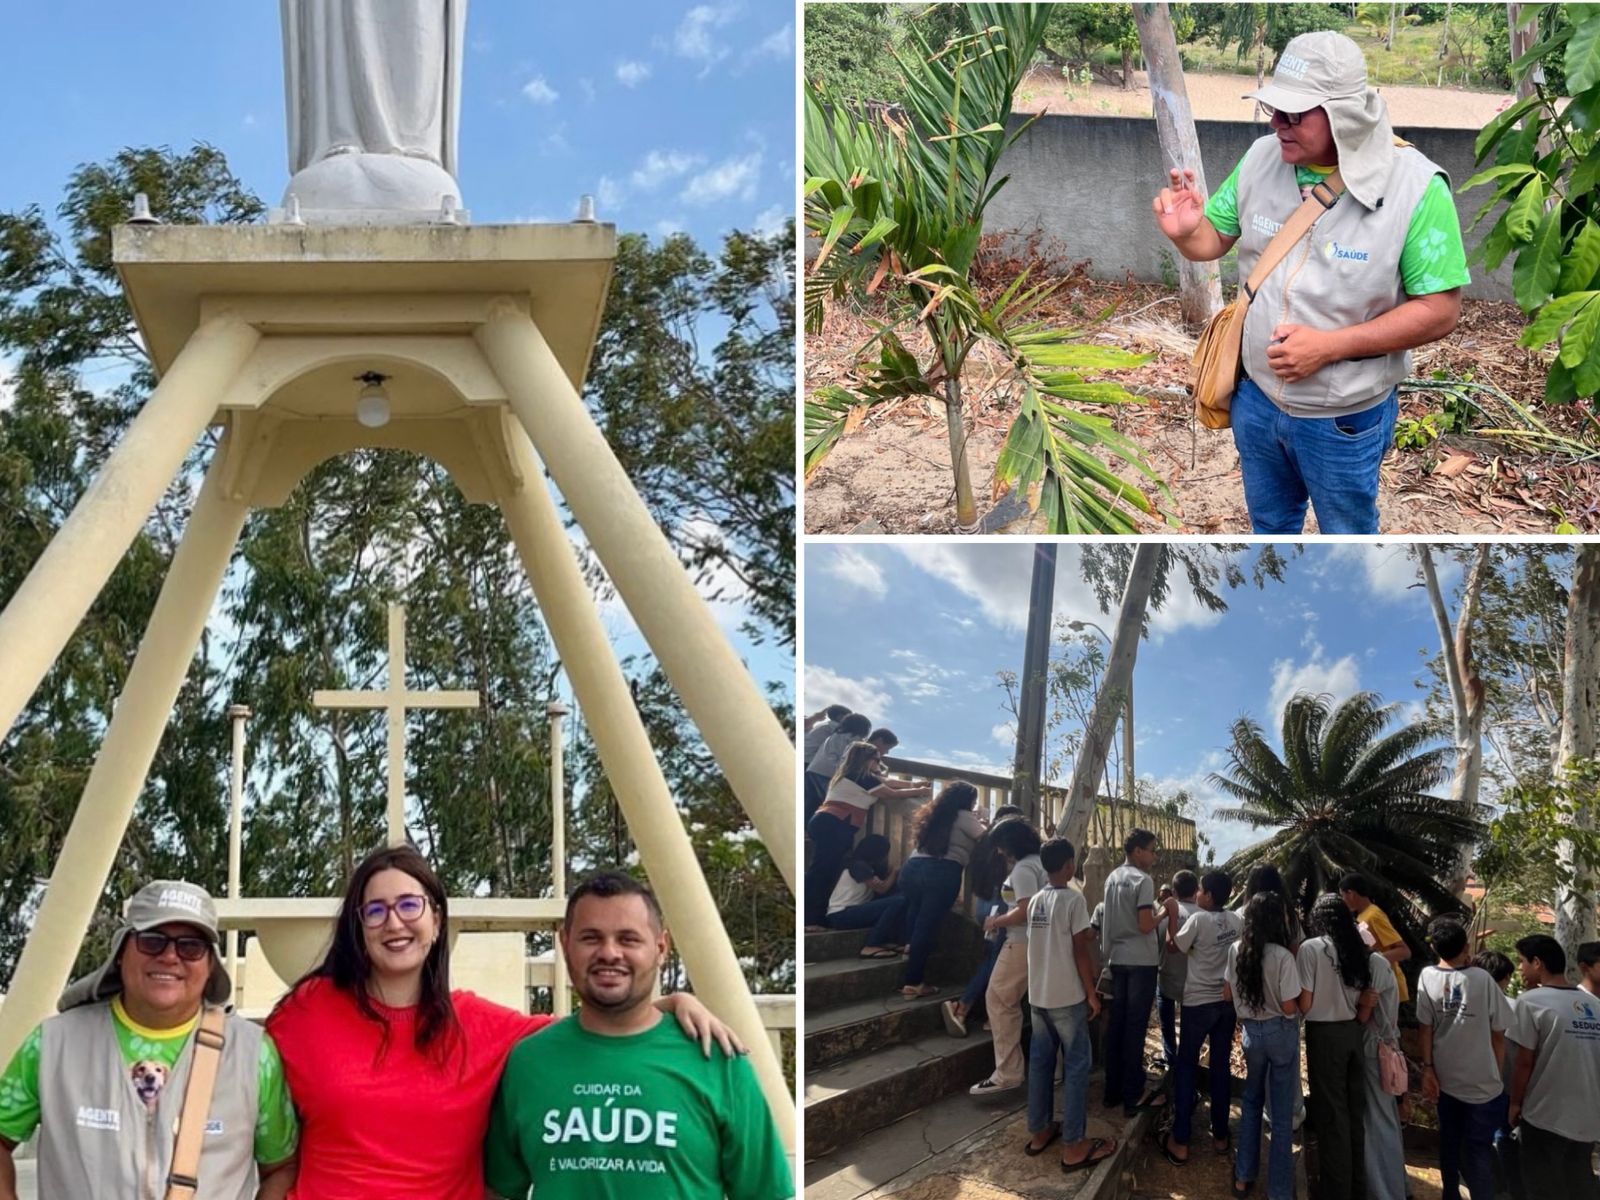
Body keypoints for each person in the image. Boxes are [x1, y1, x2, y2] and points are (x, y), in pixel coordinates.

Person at [265, 845, 741, 1200]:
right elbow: (254, 1105)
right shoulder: (305, 1013)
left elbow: (588, 1031)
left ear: (435, 920)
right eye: (375, 910)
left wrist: (671, 1002)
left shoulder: (480, 1026)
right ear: (358, 926)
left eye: (409, 905)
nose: (394, 923)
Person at [1151, 30, 1466, 534]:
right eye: (1274, 109)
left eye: (1294, 114)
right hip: (1254, 401)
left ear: (1345, 114)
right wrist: (1188, 233)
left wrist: (1330, 347)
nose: (1277, 124)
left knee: (1347, 538)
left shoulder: (1415, 188)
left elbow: (1440, 310)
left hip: (1342, 420)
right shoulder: (1260, 159)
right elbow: (1212, 241)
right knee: (1269, 529)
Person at [483, 871, 791, 1199]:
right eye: (591, 938)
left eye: (628, 939)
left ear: (661, 947)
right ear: (565, 943)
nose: (610, 953)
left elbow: (765, 1192)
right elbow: (500, 1189)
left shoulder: (716, 1058)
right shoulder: (529, 1062)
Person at [0, 880, 298, 1200]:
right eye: (152, 940)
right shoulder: (53, 1044)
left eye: (191, 946)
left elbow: (281, 1166)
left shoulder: (253, 1055)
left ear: (210, 964)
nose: (170, 956)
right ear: (120, 953)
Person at [1022, 838, 1116, 1172]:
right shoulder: (1074, 900)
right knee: (1077, 1067)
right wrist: (1091, 993)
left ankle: (1040, 1130)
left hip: (1039, 997)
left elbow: (1052, 940)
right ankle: (1075, 1146)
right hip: (1066, 997)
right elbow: (1079, 950)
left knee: (1041, 1064)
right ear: (1069, 866)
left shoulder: (1035, 901)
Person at [1418, 919, 1514, 1200]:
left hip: (1445, 1078)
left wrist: (1427, 1068)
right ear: (1466, 947)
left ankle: (1450, 1194)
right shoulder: (1483, 979)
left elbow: (1426, 1028)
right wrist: (1495, 1073)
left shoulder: (1426, 976)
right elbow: (1499, 1034)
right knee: (1478, 1148)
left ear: (1435, 948)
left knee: (1450, 1143)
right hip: (1482, 1083)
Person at [1297, 893, 1379, 1200]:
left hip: (1325, 1036)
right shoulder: (1358, 950)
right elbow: (1365, 998)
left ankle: (1336, 1192)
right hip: (1353, 1033)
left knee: (1332, 1119)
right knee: (1353, 1115)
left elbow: (1305, 1002)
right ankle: (1358, 1187)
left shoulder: (1311, 948)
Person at [1506, 934, 1600, 1196]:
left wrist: (1515, 1103)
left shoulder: (1531, 1001)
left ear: (1538, 963)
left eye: (1522, 961)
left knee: (1541, 1185)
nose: (1520, 969)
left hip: (1544, 1114)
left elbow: (1523, 1062)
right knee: (1577, 1182)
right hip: (1586, 1117)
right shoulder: (1594, 1005)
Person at [803, 741, 929, 930]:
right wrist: (920, 790)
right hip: (834, 825)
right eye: (876, 759)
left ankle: (814, 918)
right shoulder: (860, 776)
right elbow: (889, 793)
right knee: (821, 873)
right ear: (865, 759)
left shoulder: (854, 775)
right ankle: (809, 920)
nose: (879, 763)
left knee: (824, 871)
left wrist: (914, 783)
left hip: (831, 823)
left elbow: (888, 782)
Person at [1226, 893, 1303, 1200]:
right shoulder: (1283, 957)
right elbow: (1288, 1007)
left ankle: (1244, 1176)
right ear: (1276, 919)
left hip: (1251, 1035)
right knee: (1282, 1115)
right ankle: (1280, 1191)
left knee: (1251, 1102)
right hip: (1280, 1033)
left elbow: (1227, 992)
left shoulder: (1235, 949)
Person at [1164, 871, 1242, 1167]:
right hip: (1226, 1003)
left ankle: (1181, 1141)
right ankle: (1220, 1136)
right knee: (1220, 1066)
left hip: (1198, 1002)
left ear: (1208, 895)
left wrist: (1172, 915)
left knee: (1186, 1066)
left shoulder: (1198, 920)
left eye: (1201, 890)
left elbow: (1174, 947)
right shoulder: (1236, 920)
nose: (1197, 893)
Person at [1103, 828, 1179, 1116]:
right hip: (1141, 962)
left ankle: (1113, 1091)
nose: (1154, 855)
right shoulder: (1142, 880)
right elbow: (1146, 925)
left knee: (1117, 1026)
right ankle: (1134, 1092)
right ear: (1137, 851)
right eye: (1151, 849)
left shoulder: (1112, 878)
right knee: (1135, 1027)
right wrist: (1165, 911)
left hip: (1117, 959)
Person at [970, 817, 1047, 1095]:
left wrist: (996, 922)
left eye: (1001, 845)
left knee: (999, 998)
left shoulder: (1025, 868)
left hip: (1019, 941)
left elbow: (1025, 910)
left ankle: (1007, 1072)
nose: (1000, 851)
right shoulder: (1041, 863)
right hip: (1038, 943)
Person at [891, 782, 986, 1001]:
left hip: (912, 868)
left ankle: (909, 947)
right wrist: (982, 822)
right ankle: (913, 983)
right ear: (968, 800)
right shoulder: (964, 816)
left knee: (915, 910)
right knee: (927, 925)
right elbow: (985, 838)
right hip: (942, 871)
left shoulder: (933, 813)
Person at [942, 804, 1024, 1038]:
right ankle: (962, 1006)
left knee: (993, 960)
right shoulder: (1006, 847)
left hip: (983, 905)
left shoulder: (984, 844)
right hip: (999, 908)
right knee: (995, 963)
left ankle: (987, 1011)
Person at [1470, 949, 1524, 1200]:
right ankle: (1509, 1190)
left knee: (1476, 1141)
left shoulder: (1464, 1006)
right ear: (1505, 978)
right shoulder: (1515, 1007)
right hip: (1507, 1087)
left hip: (1473, 1086)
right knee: (1505, 1140)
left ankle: (1495, 1188)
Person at [1360, 919, 1404, 1200]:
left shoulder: (1373, 965)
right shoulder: (1378, 962)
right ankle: (1398, 1185)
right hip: (1385, 1046)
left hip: (1375, 1049)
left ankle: (1384, 1191)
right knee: (1386, 1116)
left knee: (1377, 1121)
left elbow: (1364, 1014)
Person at [823, 834, 906, 959]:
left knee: (900, 897)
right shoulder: (858, 865)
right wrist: (894, 872)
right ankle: (872, 944)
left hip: (852, 912)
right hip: (841, 915)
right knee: (898, 901)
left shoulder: (866, 867)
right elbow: (882, 889)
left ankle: (886, 939)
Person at [1340, 873, 1411, 1004]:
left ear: (1351, 894)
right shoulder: (1362, 916)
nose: (1342, 900)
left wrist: (1371, 960)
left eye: (1342, 896)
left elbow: (1404, 951)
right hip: (1378, 988)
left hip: (1389, 990)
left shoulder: (1374, 915)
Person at [1158, 871, 1202, 1070]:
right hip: (1194, 984)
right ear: (1196, 890)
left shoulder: (1162, 914)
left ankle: (1171, 1060)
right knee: (1189, 1031)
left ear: (1173, 891)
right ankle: (1187, 1065)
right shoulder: (1203, 916)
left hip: (1167, 980)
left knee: (1167, 1025)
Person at [804, 712, 870, 819]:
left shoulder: (836, 735)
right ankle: (812, 828)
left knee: (811, 801)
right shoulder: (853, 739)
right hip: (827, 773)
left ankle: (804, 829)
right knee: (825, 803)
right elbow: (849, 759)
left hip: (813, 770)